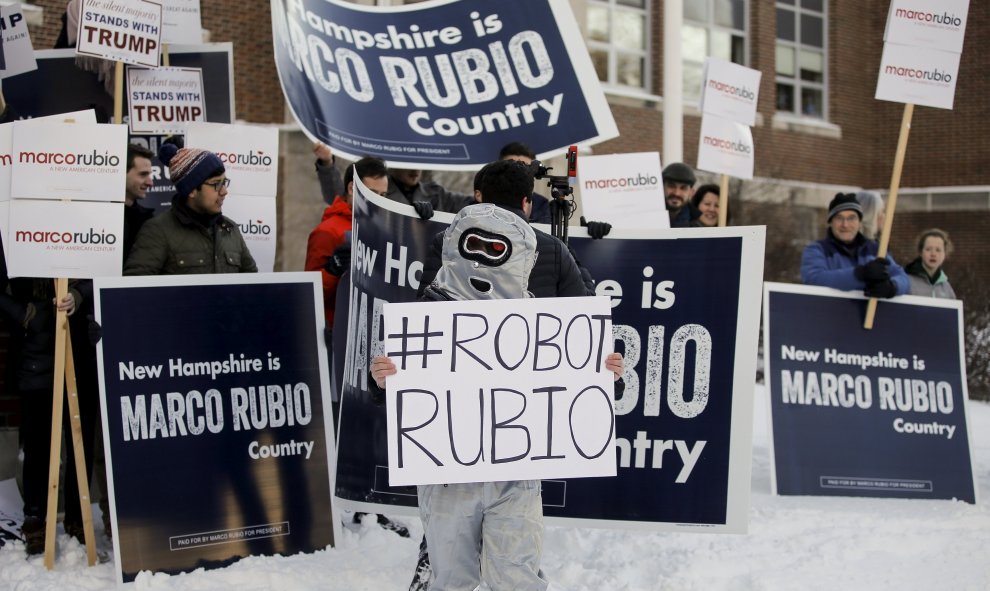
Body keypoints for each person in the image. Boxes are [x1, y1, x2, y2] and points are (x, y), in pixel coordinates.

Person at [372, 200, 624, 591]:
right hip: (447, 475)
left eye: (494, 250)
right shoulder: (424, 316)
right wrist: (383, 379)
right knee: (451, 578)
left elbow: (584, 390)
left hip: (514, 474)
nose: (482, 261)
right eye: (476, 247)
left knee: (516, 577)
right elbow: (398, 397)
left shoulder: (543, 324)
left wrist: (603, 373)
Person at [0, 242, 89, 554]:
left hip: (80, 342)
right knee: (38, 441)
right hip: (35, 349)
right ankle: (35, 520)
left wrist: (78, 295)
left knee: (81, 437)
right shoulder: (15, 224)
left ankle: (80, 520)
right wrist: (26, 314)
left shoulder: (86, 219)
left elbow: (103, 271)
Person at [124, 143, 257, 275]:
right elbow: (135, 290)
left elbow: (253, 285)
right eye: (216, 184)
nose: (224, 191)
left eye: (224, 183)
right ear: (192, 190)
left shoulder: (231, 229)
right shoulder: (157, 231)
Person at [305, 155, 388, 330]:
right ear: (352, 188)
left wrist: (419, 217)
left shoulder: (383, 228)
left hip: (371, 328)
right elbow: (309, 295)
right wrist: (332, 270)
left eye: (383, 195)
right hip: (337, 332)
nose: (378, 201)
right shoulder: (327, 231)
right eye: (372, 194)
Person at [800, 193, 909, 298]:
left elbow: (904, 279)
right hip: (830, 314)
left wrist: (891, 287)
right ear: (830, 222)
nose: (845, 225)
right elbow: (814, 279)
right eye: (839, 218)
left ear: (860, 222)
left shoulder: (876, 250)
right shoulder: (817, 249)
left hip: (869, 315)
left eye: (851, 218)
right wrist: (859, 274)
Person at [498, 141, 551, 224]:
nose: (516, 172)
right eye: (511, 165)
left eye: (524, 167)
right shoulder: (484, 198)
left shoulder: (542, 205)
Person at [122, 143, 156, 258]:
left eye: (149, 175)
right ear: (121, 173)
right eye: (143, 174)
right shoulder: (95, 217)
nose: (150, 182)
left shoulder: (147, 221)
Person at [905, 229, 957, 299]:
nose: (933, 254)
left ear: (944, 254)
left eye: (938, 250)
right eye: (928, 249)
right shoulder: (907, 281)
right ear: (920, 252)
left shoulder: (946, 288)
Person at [662, 162, 702, 228]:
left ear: (691, 192)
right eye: (671, 186)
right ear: (662, 187)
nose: (677, 193)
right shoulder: (647, 221)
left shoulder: (697, 230)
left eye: (683, 188)